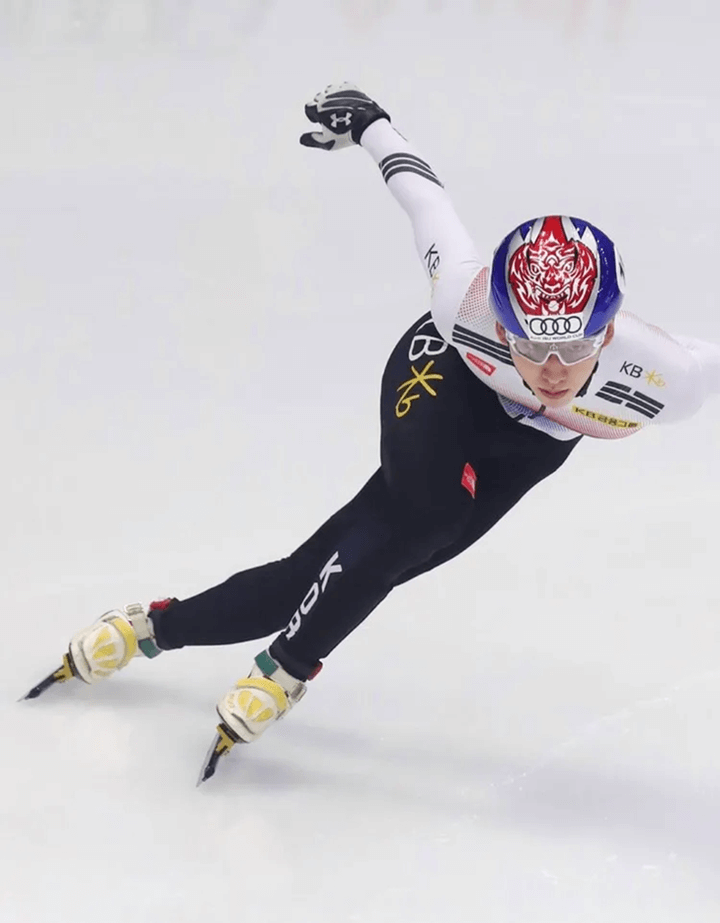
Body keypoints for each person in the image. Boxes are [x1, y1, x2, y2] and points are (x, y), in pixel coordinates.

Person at [26, 83, 720, 780]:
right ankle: (284, 670)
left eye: (574, 348)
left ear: (610, 330)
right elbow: (428, 204)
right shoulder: (463, 303)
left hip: (529, 448)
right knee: (429, 515)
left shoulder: (668, 381)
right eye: (529, 342)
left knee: (345, 566)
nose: (549, 369)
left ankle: (151, 626)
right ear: (498, 320)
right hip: (447, 380)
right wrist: (372, 127)